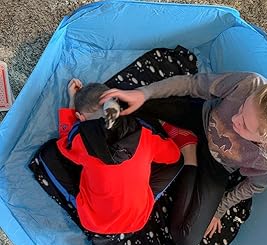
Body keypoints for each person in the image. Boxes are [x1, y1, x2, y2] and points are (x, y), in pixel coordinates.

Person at [99, 72, 267, 245]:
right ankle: (183, 138)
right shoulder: (249, 83)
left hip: (218, 166)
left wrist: (220, 209)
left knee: (186, 239)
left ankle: (189, 155)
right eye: (242, 109)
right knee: (128, 100)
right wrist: (144, 93)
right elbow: (192, 84)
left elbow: (252, 186)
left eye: (245, 125)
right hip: (201, 118)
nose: (234, 119)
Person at [40, 78, 183, 235]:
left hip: (94, 223)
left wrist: (72, 103)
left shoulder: (78, 138)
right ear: (116, 104)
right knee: (179, 161)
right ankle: (140, 195)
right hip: (138, 219)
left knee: (48, 152)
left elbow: (64, 144)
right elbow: (174, 156)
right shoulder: (145, 133)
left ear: (80, 118)